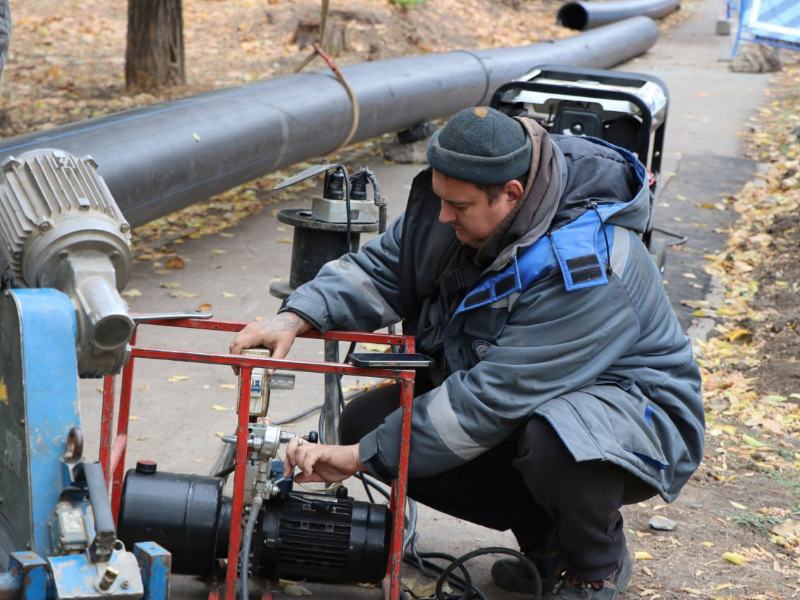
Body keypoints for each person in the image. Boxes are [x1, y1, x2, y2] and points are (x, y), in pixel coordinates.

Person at [230, 106, 705, 598]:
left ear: (512, 195)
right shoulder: (465, 198)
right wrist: (297, 314)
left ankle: (594, 568)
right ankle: (546, 543)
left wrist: (360, 458)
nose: (442, 215)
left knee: (552, 442)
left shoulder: (589, 265)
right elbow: (384, 269)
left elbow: (490, 399)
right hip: (528, 393)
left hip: (636, 417)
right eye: (440, 199)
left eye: (456, 206)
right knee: (369, 424)